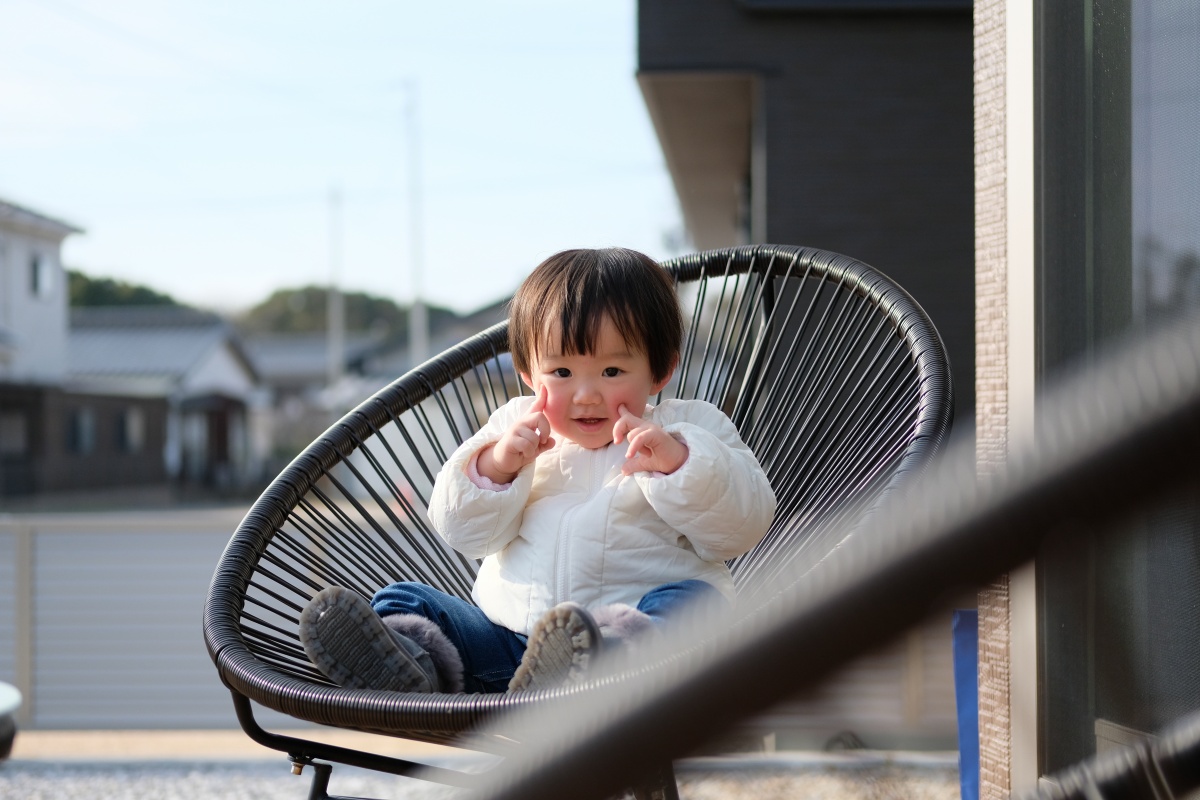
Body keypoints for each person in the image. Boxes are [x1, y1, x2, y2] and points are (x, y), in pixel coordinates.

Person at [299, 247, 777, 694]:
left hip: (634, 656)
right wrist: (497, 468)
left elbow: (742, 528)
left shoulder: (691, 429)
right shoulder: (514, 428)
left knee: (696, 602)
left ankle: (605, 659)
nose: (586, 394)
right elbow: (462, 532)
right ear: (529, 373)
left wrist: (679, 466)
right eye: (562, 374)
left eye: (612, 372)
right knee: (405, 599)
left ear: (660, 370)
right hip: (509, 650)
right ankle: (409, 665)